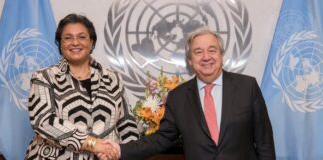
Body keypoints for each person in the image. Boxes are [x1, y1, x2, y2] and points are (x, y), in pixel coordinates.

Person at [98, 26, 276, 160]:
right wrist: (120, 149)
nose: (206, 57)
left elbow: (264, 142)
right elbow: (161, 139)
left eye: (212, 50)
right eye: (198, 52)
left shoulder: (248, 87)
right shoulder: (178, 97)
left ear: (221, 55)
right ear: (190, 60)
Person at [25, 13, 139, 159]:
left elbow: (127, 123)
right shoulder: (43, 77)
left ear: (91, 42)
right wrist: (94, 144)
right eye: (68, 38)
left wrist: (120, 152)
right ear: (60, 44)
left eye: (82, 37)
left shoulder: (113, 78)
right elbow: (44, 122)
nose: (75, 43)